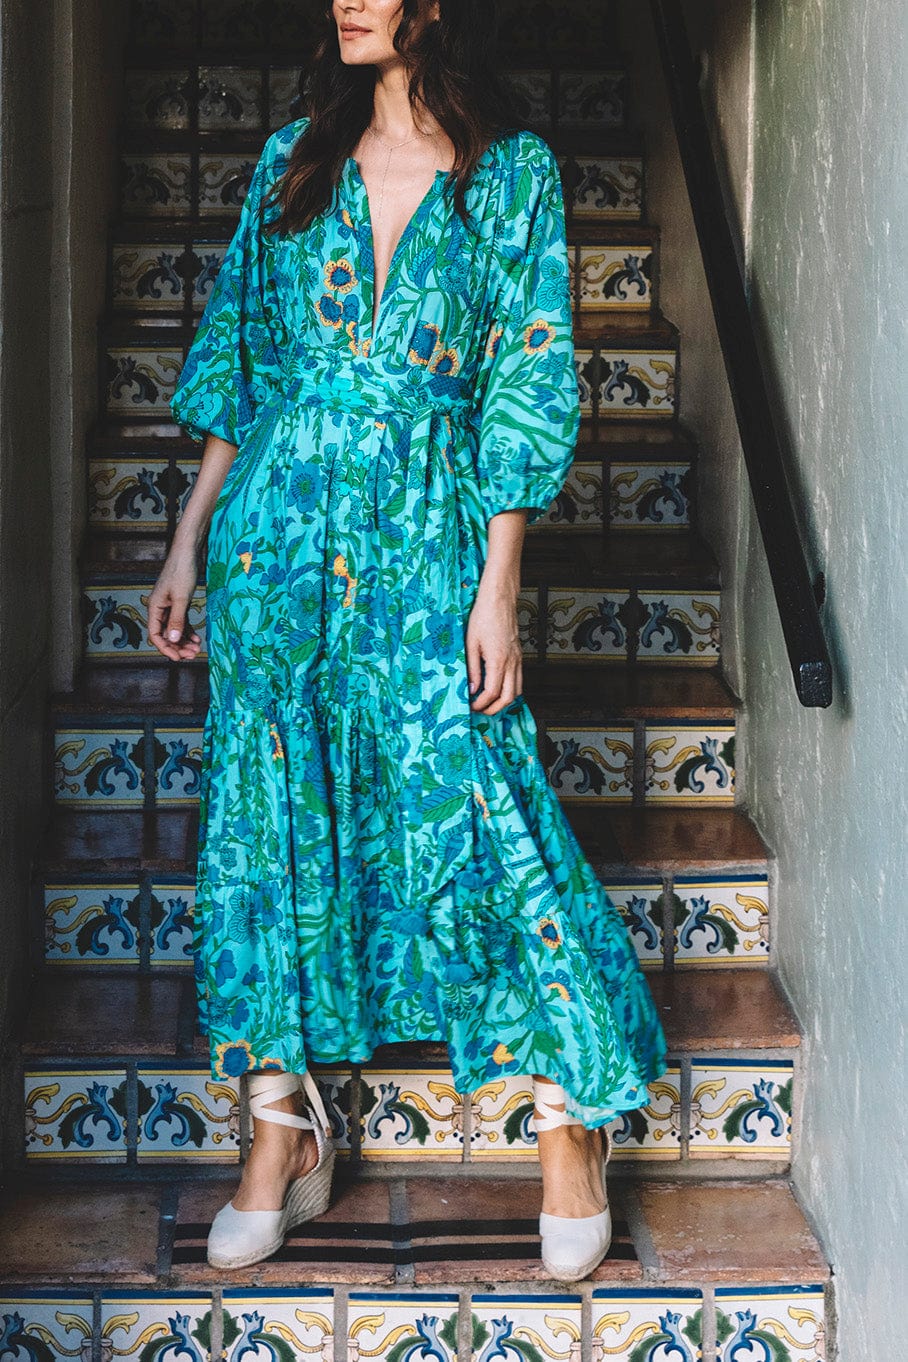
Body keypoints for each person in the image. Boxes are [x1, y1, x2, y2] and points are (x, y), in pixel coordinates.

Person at [147, 0, 667, 1280]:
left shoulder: (511, 171)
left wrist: (498, 584)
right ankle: (281, 1132)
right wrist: (188, 538)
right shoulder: (289, 160)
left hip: (429, 530)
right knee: (268, 822)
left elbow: (527, 380)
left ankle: (568, 1118)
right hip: (276, 540)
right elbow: (238, 362)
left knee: (476, 800)